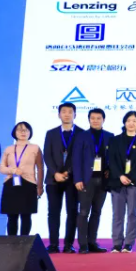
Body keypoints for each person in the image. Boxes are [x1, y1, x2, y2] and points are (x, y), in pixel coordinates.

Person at [42, 103, 83, 253]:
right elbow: (47, 155)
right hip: (53, 179)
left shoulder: (82, 133)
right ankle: (53, 244)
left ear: (75, 115)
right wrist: (55, 173)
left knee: (72, 212)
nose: (67, 114)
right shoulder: (51, 133)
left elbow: (82, 156)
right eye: (63, 112)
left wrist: (68, 172)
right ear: (59, 114)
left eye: (70, 112)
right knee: (53, 212)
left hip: (73, 179)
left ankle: (68, 245)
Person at [108, 111, 136, 253]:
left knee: (133, 213)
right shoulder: (115, 140)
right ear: (124, 122)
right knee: (117, 214)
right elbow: (111, 160)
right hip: (117, 181)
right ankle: (116, 243)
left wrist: (130, 177)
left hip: (135, 182)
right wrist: (120, 175)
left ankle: (128, 243)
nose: (131, 123)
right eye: (128, 120)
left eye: (134, 121)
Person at [73, 109, 113, 253]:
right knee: (84, 212)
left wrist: (110, 171)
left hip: (102, 180)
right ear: (89, 119)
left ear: (103, 119)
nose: (95, 120)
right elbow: (76, 159)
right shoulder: (81, 136)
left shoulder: (109, 136)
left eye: (98, 118)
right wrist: (77, 179)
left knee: (97, 212)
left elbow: (113, 157)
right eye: (93, 118)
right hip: (86, 180)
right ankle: (83, 244)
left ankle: (92, 242)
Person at [0, 122, 44, 236]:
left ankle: (24, 241)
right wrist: (13, 170)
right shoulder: (9, 149)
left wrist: (40, 186)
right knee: (12, 215)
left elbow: (40, 168)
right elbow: (2, 168)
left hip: (29, 184)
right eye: (20, 130)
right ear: (15, 132)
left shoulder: (35, 148)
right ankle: (11, 241)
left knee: (26, 215)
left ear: (30, 132)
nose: (23, 132)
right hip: (10, 184)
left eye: (26, 130)